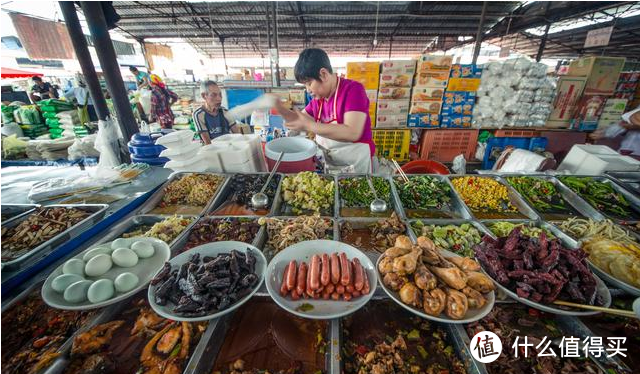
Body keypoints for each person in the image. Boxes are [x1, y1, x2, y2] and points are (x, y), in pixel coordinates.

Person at [272, 48, 375, 173]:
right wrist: (278, 107)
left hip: (357, 164)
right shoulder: (318, 100)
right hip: (332, 164)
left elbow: (352, 132)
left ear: (324, 74)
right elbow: (297, 120)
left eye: (309, 83)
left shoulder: (353, 90)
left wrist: (309, 125)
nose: (308, 89)